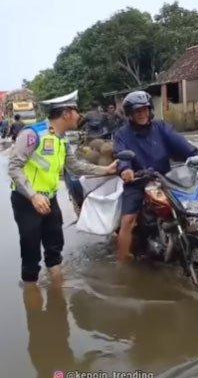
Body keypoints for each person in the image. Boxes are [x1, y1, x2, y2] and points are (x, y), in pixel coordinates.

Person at [8, 91, 117, 285]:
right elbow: (14, 167)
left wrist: (105, 169)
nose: (79, 116)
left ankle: (58, 296)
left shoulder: (62, 139)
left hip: (49, 200)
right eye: (76, 111)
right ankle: (32, 298)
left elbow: (75, 166)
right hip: (27, 201)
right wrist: (33, 196)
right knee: (31, 253)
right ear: (66, 113)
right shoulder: (32, 134)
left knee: (54, 248)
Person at [113, 91, 198, 262]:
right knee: (128, 221)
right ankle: (121, 263)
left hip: (166, 178)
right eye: (137, 111)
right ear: (130, 114)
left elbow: (179, 143)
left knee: (190, 208)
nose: (142, 114)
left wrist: (196, 155)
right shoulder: (122, 134)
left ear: (150, 109)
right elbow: (121, 155)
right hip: (137, 181)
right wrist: (126, 170)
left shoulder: (161, 127)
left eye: (145, 110)